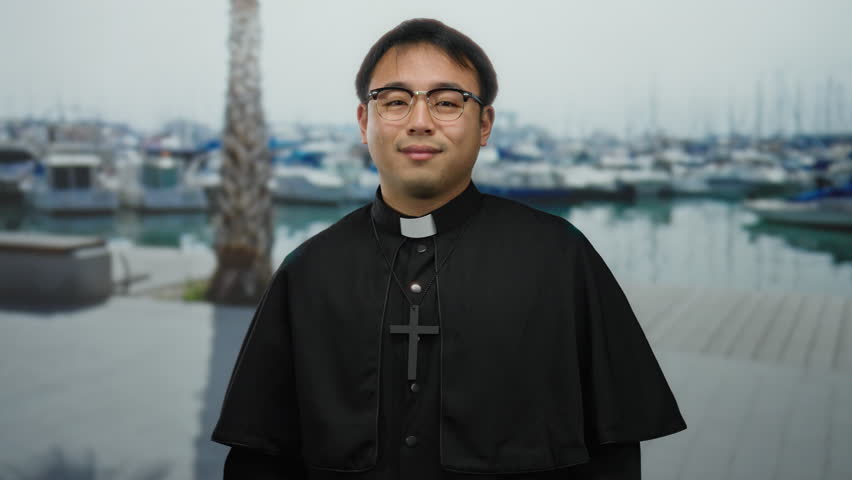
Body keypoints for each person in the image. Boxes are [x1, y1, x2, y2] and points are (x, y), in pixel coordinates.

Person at [212, 18, 686, 479]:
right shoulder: (309, 271)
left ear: (484, 124)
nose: (419, 122)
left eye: (447, 102)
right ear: (364, 121)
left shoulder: (560, 259)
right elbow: (260, 459)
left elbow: (616, 454)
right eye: (395, 101)